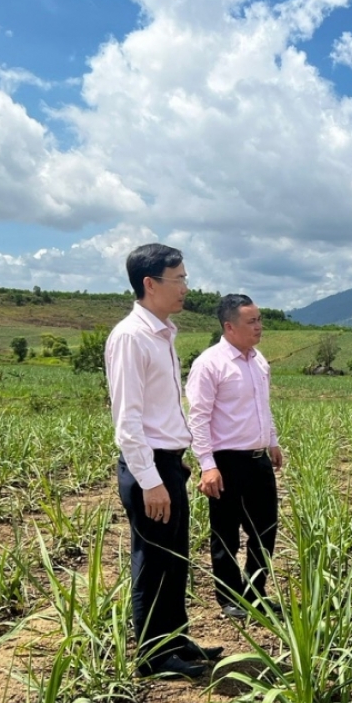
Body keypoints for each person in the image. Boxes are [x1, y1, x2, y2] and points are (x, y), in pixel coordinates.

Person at [105, 243, 221, 679]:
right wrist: (150, 480)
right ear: (150, 284)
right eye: (180, 279)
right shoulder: (132, 337)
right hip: (148, 467)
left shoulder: (162, 333)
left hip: (168, 464)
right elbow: (127, 421)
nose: (187, 288)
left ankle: (174, 639)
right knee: (153, 562)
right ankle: (153, 656)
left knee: (174, 559)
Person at [186, 294, 284, 619]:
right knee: (227, 532)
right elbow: (198, 416)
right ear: (229, 326)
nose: (259, 326)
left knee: (265, 528)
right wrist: (207, 465)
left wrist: (272, 441)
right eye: (251, 321)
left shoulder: (259, 361)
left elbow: (263, 407)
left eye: (259, 319)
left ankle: (255, 592)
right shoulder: (210, 364)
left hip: (257, 459)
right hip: (226, 461)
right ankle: (229, 597)